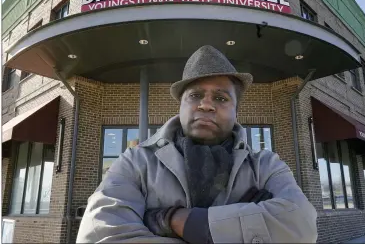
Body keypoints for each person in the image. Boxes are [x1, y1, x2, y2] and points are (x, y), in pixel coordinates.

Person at [76, 45, 318, 243]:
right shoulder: (136, 162)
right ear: (180, 105)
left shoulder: (266, 166)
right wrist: (242, 225)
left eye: (221, 98)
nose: (206, 105)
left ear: (236, 111)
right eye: (195, 95)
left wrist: (176, 220)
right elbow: (101, 237)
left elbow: (302, 226)